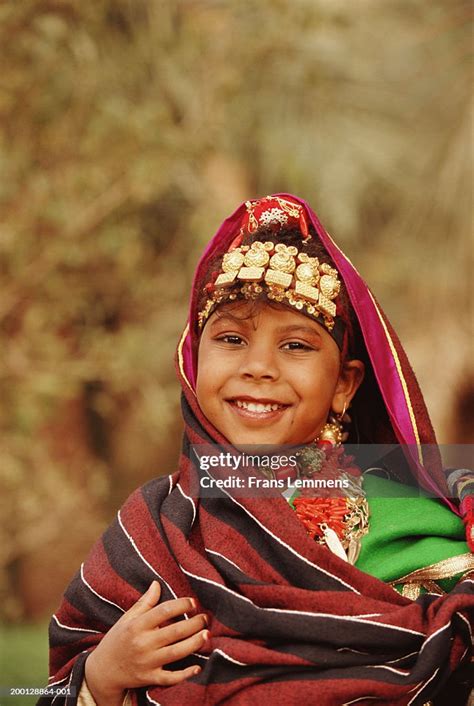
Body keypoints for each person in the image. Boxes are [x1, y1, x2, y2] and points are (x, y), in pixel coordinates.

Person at [39, 195, 473, 706]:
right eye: (230, 339)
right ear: (193, 362)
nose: (259, 367)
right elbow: (53, 690)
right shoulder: (153, 531)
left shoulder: (408, 513)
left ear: (344, 385)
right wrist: (102, 677)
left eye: (295, 346)